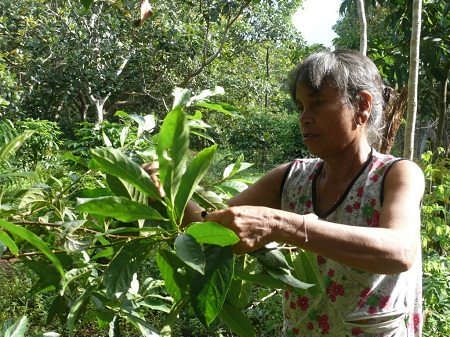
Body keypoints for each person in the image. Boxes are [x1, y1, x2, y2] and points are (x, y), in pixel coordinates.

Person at [146, 49, 424, 336]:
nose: (305, 118)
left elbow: (399, 251)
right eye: (301, 107)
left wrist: (279, 225)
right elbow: (212, 227)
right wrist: (164, 192)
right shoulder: (292, 178)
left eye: (317, 104)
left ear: (362, 106)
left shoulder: (395, 175)